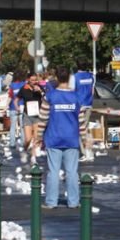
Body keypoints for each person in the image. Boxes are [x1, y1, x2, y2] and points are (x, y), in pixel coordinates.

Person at [37, 66, 81, 209]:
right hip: (72, 138)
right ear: (69, 77)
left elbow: (43, 118)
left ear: (56, 77)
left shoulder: (50, 96)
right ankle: (74, 202)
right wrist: (85, 138)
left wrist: (38, 136)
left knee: (53, 171)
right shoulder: (76, 97)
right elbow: (81, 120)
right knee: (72, 172)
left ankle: (51, 201)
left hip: (54, 137)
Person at [18, 73, 45, 164]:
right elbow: (16, 99)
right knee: (28, 139)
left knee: (36, 138)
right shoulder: (24, 88)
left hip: (37, 115)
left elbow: (46, 98)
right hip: (27, 115)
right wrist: (17, 107)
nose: (34, 82)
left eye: (35, 80)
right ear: (28, 80)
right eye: (32, 80)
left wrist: (40, 91)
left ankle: (33, 157)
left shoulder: (40, 87)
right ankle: (25, 150)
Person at [72, 62, 95, 161]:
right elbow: (92, 91)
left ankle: (86, 152)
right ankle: (88, 151)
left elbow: (72, 92)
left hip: (79, 106)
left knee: (80, 130)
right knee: (85, 128)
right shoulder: (91, 76)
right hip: (89, 104)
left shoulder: (75, 77)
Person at [8, 71, 25, 149]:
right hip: (22, 106)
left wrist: (6, 106)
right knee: (22, 126)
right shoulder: (24, 84)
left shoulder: (12, 85)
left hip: (12, 107)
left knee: (12, 127)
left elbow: (10, 96)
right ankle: (23, 143)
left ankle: (12, 143)